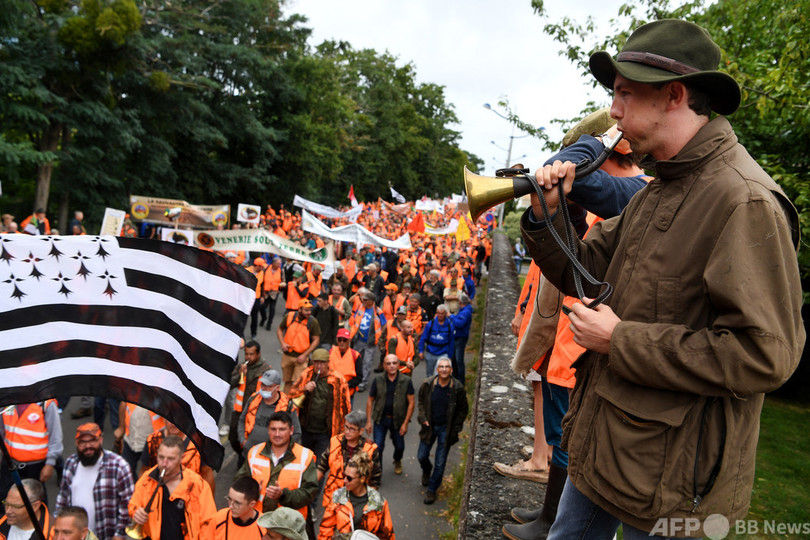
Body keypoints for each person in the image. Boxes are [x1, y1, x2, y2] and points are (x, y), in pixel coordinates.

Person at [522, 19, 804, 538]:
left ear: (674, 95)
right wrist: (549, 215)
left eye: (626, 94)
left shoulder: (744, 201)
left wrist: (619, 340)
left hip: (674, 484)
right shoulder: (658, 190)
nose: (614, 111)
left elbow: (767, 353)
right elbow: (585, 274)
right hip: (607, 446)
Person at [502, 107, 649, 540]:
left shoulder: (640, 193)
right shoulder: (624, 195)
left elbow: (587, 267)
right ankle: (549, 518)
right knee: (567, 440)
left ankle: (550, 520)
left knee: (572, 445)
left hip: (589, 347)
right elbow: (567, 263)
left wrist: (580, 160)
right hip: (575, 344)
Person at [55, 423, 134, 540]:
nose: (88, 446)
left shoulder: (118, 466)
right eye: (82, 442)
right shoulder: (70, 463)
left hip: (106, 535)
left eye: (92, 441)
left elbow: (128, 503)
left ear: (101, 440)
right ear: (76, 443)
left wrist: (120, 533)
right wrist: (56, 524)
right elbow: (63, 498)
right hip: (75, 535)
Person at [129, 435, 216, 540]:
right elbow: (133, 504)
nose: (164, 463)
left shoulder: (198, 485)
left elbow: (208, 523)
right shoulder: (147, 479)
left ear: (181, 458)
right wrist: (136, 512)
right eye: (161, 457)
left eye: (170, 459)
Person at [238, 411, 317, 523]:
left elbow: (310, 492)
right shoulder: (254, 452)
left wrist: (283, 495)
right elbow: (240, 482)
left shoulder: (305, 456)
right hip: (257, 522)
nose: (277, 434)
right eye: (273, 429)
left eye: (282, 429)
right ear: (268, 430)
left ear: (291, 430)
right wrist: (252, 489)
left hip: (288, 525)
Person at [287, 348, 351, 470]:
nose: (319, 365)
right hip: (306, 429)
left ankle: (316, 488)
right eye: (316, 362)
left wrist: (344, 431)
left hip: (325, 432)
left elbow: (346, 406)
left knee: (319, 467)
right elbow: (290, 394)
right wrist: (304, 388)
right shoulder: (307, 374)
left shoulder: (338, 379)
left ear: (328, 363)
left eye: (322, 362)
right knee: (305, 463)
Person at [417, 357, 468, 505]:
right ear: (437, 369)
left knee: (440, 462)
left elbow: (463, 410)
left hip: (446, 429)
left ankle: (432, 489)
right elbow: (421, 402)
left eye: (447, 367)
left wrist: (456, 427)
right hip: (429, 427)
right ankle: (427, 470)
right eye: (441, 367)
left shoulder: (457, 388)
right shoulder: (427, 384)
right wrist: (423, 417)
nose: (444, 369)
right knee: (421, 456)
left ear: (451, 370)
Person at [318, 452, 395, 540]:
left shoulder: (379, 502)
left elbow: (387, 534)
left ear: (362, 479)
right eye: (344, 475)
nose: (345, 480)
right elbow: (326, 528)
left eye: (349, 478)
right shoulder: (338, 497)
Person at [0, 400, 63, 501]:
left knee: (35, 501)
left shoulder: (46, 404)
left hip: (35, 467)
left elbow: (55, 437)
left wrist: (50, 464)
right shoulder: (6, 401)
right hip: (9, 463)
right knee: (5, 498)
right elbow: (2, 431)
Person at [317, 411, 381, 509]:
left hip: (356, 503)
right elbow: (322, 467)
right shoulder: (335, 442)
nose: (347, 431)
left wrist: (367, 502)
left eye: (351, 429)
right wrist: (308, 486)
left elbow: (375, 481)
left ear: (360, 431)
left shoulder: (370, 450)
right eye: (346, 427)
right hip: (333, 499)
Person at [365, 354, 414, 476]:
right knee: (378, 447)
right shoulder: (378, 380)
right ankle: (377, 472)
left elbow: (411, 403)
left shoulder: (406, 381)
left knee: (399, 446)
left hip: (398, 420)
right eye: (388, 363)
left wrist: (405, 423)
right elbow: (370, 400)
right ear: (384, 366)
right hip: (380, 419)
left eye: (394, 363)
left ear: (398, 365)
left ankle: (397, 460)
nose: (391, 366)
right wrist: (368, 421)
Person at [239, 369, 302, 461]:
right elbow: (242, 420)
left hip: (271, 460)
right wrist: (243, 441)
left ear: (277, 388)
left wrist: (281, 450)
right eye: (263, 385)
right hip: (248, 454)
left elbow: (297, 433)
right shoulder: (253, 399)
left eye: (268, 386)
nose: (264, 388)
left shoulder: (288, 407)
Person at [139, 421, 215, 492]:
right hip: (159, 496)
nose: (173, 423)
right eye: (161, 457)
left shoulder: (199, 442)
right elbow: (144, 471)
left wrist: (208, 503)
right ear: (164, 419)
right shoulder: (152, 440)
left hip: (191, 496)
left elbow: (207, 474)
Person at [229, 341, 271, 455]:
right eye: (246, 354)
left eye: (251, 354)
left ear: (258, 354)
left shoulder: (266, 370)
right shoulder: (242, 366)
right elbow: (230, 384)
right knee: (233, 437)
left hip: (255, 411)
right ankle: (242, 454)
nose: (248, 357)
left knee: (251, 439)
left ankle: (246, 459)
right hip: (239, 410)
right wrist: (240, 375)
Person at [276, 299, 321, 393]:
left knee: (298, 383)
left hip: (301, 358)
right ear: (299, 310)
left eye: (310, 310)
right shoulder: (289, 316)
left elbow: (316, 340)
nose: (309, 312)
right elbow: (280, 329)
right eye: (306, 310)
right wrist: (282, 343)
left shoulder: (313, 322)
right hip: (287, 356)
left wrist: (305, 355)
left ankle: (294, 404)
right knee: (287, 381)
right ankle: (285, 402)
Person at [200, 477, 266, 539]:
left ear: (252, 504)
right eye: (230, 499)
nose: (231, 506)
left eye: (237, 503)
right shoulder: (218, 519)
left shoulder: (264, 529)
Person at [114, 403, 165, 482]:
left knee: (147, 474)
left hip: (152, 444)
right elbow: (123, 405)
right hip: (130, 440)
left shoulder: (161, 395)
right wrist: (121, 428)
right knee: (125, 470)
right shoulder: (133, 391)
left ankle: (140, 490)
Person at [349, 292, 383, 392]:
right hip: (358, 340)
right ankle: (353, 378)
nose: (363, 301)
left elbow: (384, 324)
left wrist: (380, 338)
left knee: (367, 362)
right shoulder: (360, 307)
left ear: (371, 301)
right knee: (355, 360)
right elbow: (354, 320)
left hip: (370, 342)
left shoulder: (377, 311)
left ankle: (363, 383)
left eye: (365, 300)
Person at [417, 304, 454, 377]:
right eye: (438, 313)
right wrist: (421, 351)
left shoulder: (450, 326)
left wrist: (450, 356)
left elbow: (451, 342)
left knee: (440, 374)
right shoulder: (430, 324)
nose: (440, 315)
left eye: (442, 313)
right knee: (429, 375)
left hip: (443, 353)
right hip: (431, 352)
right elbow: (423, 338)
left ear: (446, 314)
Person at [328, 328, 363, 398]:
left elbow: (359, 376)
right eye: (339, 340)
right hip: (332, 392)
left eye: (345, 340)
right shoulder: (331, 352)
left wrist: (347, 384)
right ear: (336, 340)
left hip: (348, 394)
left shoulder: (355, 355)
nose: (342, 342)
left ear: (349, 341)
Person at [449, 294, 472, 382]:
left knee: (458, 360)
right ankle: (455, 379)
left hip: (460, 337)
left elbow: (459, 324)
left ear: (460, 302)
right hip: (457, 337)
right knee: (454, 359)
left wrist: (451, 316)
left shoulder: (465, 312)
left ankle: (460, 381)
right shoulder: (463, 310)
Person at [263, 257, 286, 331]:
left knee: (272, 309)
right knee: (262, 308)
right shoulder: (266, 269)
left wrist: (281, 286)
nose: (279, 265)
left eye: (280, 264)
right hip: (266, 292)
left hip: (274, 293)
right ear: (273, 263)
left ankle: (269, 324)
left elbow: (283, 281)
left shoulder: (281, 271)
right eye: (278, 263)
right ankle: (264, 318)